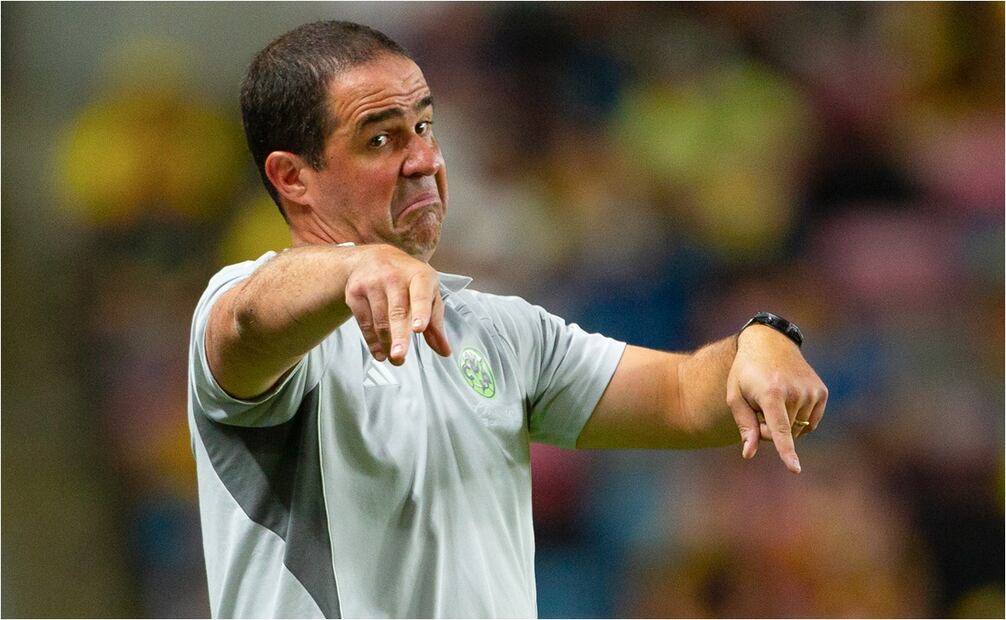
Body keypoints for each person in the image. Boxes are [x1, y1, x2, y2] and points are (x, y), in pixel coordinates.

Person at [187, 20, 828, 619]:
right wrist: (357, 267)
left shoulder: (500, 332)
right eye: (380, 139)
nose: (424, 161)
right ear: (293, 178)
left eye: (425, 126)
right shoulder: (255, 324)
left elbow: (684, 395)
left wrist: (760, 339)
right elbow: (247, 320)